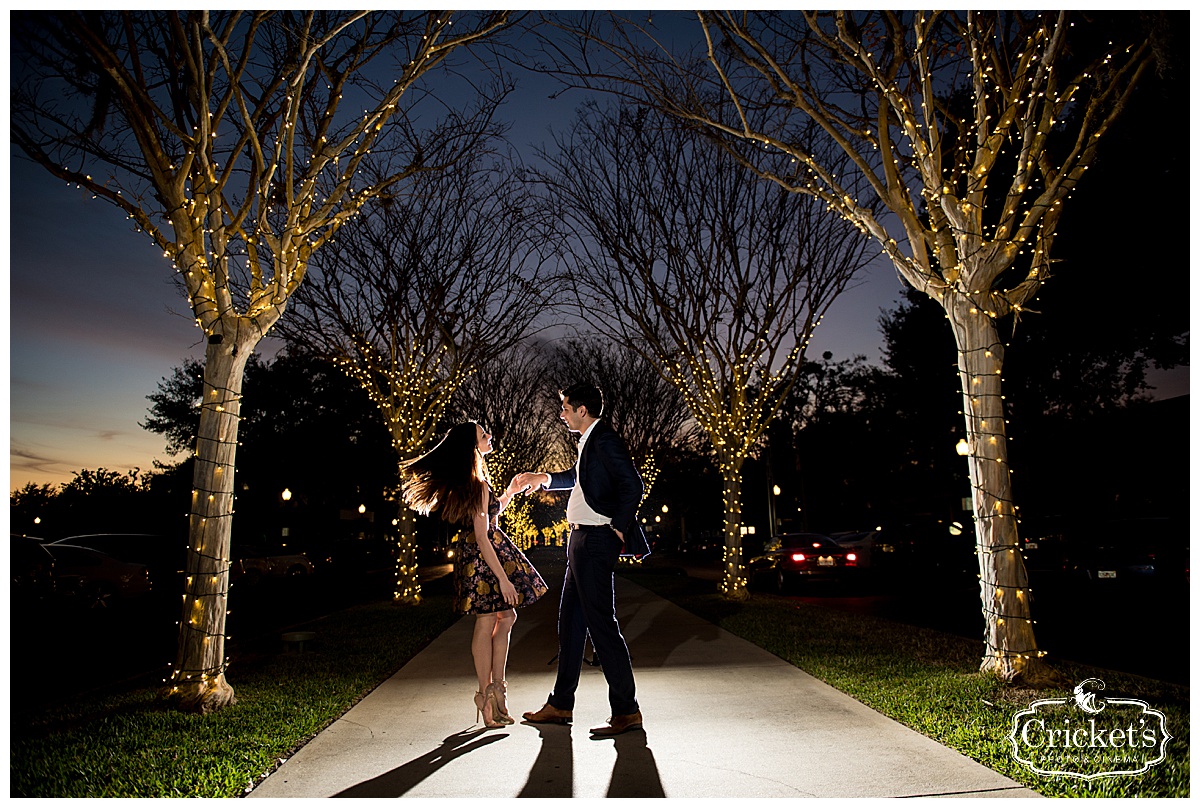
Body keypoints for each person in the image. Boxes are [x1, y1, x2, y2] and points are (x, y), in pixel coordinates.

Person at [511, 382, 650, 738]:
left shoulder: (604, 439)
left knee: (602, 625)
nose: (562, 414)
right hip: (581, 540)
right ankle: (560, 704)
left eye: (566, 408)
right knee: (571, 625)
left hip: (595, 541)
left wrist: (618, 526)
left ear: (582, 410)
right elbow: (579, 478)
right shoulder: (589, 440)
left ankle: (626, 710)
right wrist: (542, 477)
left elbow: (633, 485)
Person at [401, 421, 548, 729]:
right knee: (489, 620)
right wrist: (504, 579)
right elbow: (483, 536)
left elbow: (490, 513)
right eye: (484, 435)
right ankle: (485, 694)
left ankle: (496, 690)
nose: (489, 437)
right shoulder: (476, 484)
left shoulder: (476, 482)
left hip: (480, 556)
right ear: (472, 446)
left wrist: (509, 492)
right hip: (484, 559)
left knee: (505, 618)